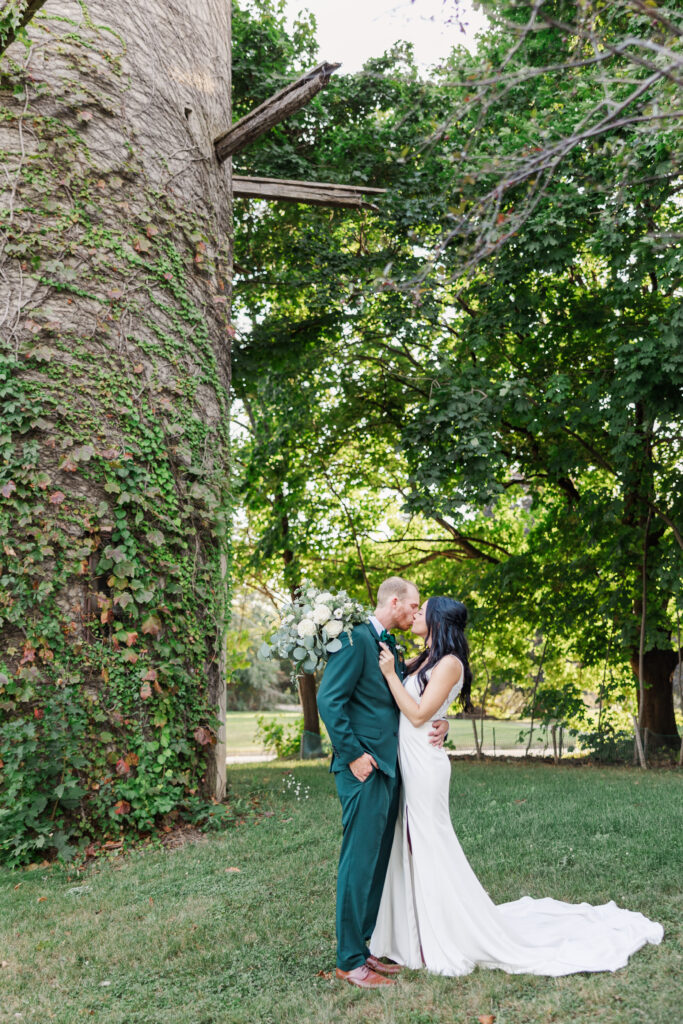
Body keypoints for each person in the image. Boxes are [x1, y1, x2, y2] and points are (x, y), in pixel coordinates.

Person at [371, 595, 664, 976]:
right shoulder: (426, 658)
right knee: (411, 842)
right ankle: (412, 932)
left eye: (423, 610)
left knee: (430, 843)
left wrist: (393, 676)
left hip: (425, 766)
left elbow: (419, 714)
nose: (416, 614)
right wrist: (436, 715)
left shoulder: (448, 663)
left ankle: (446, 930)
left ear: (439, 621)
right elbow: (423, 711)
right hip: (410, 759)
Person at [316, 577, 450, 989]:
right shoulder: (355, 640)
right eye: (412, 607)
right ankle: (348, 962)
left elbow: (410, 703)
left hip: (392, 769)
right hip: (364, 770)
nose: (415, 614)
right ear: (395, 602)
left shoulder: (388, 645)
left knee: (375, 864)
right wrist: (353, 753)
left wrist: (442, 723)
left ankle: (363, 948)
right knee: (358, 862)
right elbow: (328, 699)